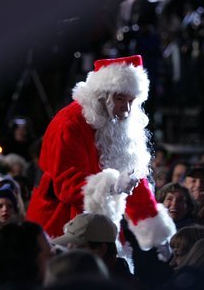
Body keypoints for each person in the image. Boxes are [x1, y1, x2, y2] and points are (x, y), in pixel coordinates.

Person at [26, 55, 175, 252]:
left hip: (102, 225)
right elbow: (66, 184)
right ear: (101, 95)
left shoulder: (122, 123)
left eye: (132, 100)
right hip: (60, 225)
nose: (127, 108)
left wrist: (157, 235)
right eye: (120, 98)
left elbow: (134, 184)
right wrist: (112, 184)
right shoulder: (70, 122)